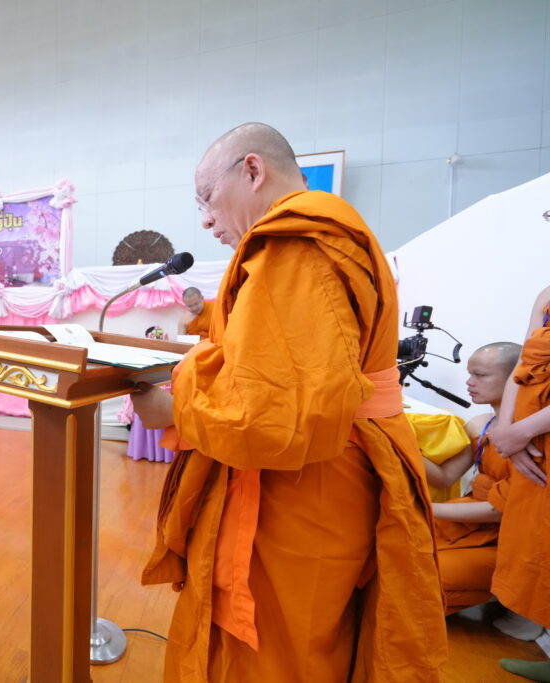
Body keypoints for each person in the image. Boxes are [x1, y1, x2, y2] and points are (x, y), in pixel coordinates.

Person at [131, 122, 446, 681]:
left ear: (253, 170)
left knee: (280, 644)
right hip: (328, 464)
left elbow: (274, 412)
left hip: (306, 478)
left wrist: (175, 410)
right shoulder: (317, 235)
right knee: (310, 634)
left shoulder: (295, 242)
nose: (205, 219)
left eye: (207, 198)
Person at [422, 343, 520, 614]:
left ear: (515, 380)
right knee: (389, 549)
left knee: (422, 575)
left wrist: (425, 508)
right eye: (469, 373)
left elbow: (500, 510)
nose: (469, 382)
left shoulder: (531, 436)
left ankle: (510, 604)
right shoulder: (480, 424)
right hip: (466, 520)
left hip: (508, 539)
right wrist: (399, 444)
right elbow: (445, 477)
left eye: (480, 375)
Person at [490, 285, 550, 681]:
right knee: (539, 545)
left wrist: (523, 430)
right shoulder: (546, 294)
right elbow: (523, 365)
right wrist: (507, 431)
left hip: (533, 436)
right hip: (531, 447)